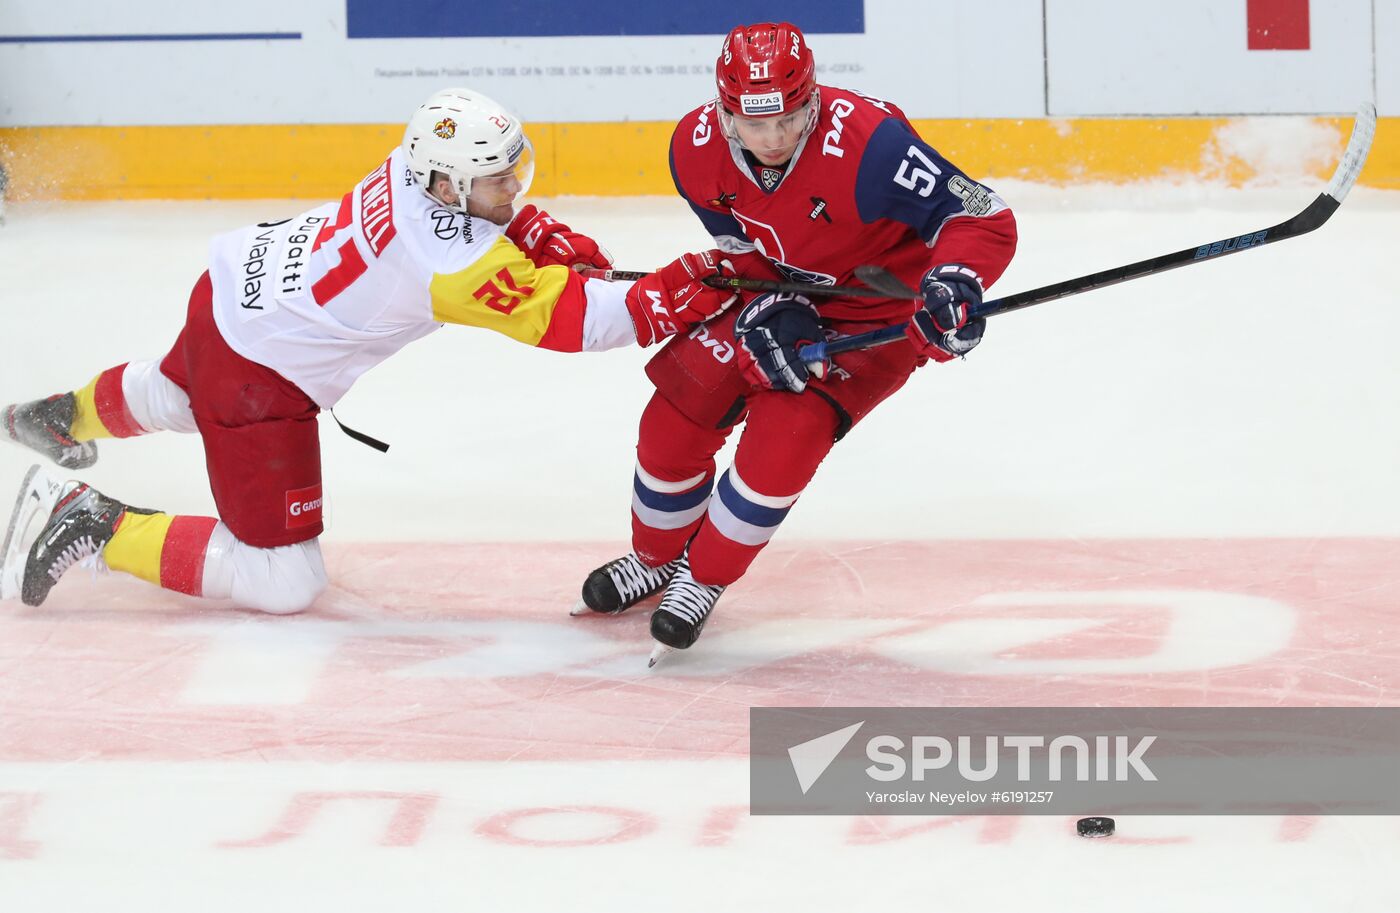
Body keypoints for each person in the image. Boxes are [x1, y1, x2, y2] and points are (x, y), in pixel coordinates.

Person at [0, 87, 737, 613]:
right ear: (449, 184)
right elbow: (579, 321)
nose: (513, 187)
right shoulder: (453, 265)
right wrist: (668, 294)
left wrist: (522, 224)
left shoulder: (410, 160)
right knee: (281, 578)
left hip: (232, 291)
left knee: (174, 390)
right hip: (260, 376)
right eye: (498, 181)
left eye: (517, 171)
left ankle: (59, 416)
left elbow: (473, 227)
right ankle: (96, 520)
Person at [572, 23, 1019, 660]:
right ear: (724, 113)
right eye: (756, 124)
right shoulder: (693, 151)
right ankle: (656, 558)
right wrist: (767, 296)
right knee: (673, 421)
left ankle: (703, 578)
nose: (776, 138)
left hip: (876, 312)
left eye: (791, 118)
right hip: (776, 295)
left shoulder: (871, 145)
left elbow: (980, 213)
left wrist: (954, 279)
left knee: (782, 442)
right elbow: (743, 245)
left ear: (812, 99)